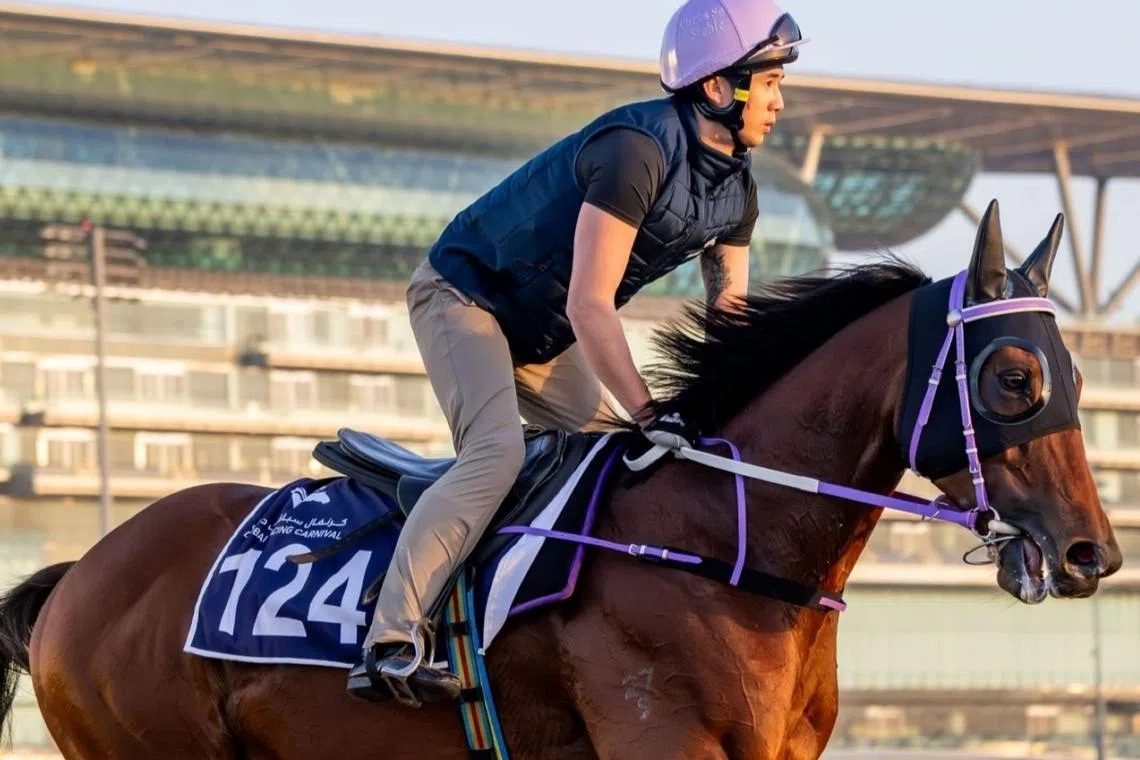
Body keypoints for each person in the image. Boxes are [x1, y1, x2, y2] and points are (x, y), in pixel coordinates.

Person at [347, 0, 806, 706]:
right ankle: (390, 638)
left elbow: (730, 325)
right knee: (495, 455)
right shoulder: (637, 150)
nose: (780, 101)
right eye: (769, 83)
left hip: (540, 340)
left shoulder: (737, 191)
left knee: (613, 463)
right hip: (463, 299)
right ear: (719, 87)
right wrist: (653, 409)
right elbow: (589, 304)